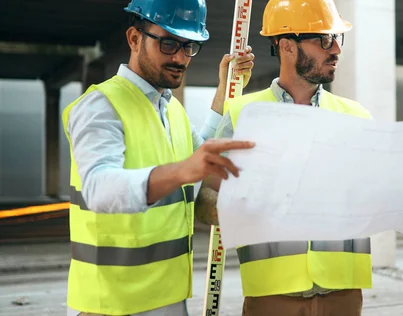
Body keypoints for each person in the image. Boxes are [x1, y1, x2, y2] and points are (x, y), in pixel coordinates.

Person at [194, 0, 403, 315]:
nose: (336, 49)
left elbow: (386, 191)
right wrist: (247, 203)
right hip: (272, 296)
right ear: (286, 46)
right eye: (324, 39)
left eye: (338, 38)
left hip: (344, 296)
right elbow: (204, 204)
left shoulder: (355, 115)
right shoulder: (243, 114)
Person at [61, 0, 256, 315]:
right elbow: (98, 187)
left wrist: (227, 88)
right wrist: (182, 171)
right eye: (168, 43)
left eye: (188, 46)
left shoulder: (171, 109)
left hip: (168, 296)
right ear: (135, 38)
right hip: (112, 304)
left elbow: (203, 154)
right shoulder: (100, 106)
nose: (180, 57)